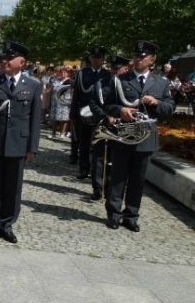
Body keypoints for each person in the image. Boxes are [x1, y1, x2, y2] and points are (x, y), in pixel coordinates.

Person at [0, 41, 42, 244]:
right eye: (4, 58)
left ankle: (6, 224)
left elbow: (35, 119)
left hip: (18, 144)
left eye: (9, 58)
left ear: (22, 62)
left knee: (13, 187)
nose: (5, 61)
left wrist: (32, 147)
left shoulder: (33, 85)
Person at [102, 41, 175, 232]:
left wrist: (156, 102)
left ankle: (131, 216)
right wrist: (120, 110)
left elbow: (170, 108)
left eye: (142, 57)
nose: (138, 59)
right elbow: (108, 105)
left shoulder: (161, 82)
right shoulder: (120, 79)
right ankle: (114, 214)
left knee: (138, 180)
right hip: (124, 135)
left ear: (152, 59)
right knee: (118, 177)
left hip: (146, 138)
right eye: (136, 56)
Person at [88, 55, 131, 201]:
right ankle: (97, 188)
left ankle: (111, 190)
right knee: (98, 158)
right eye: (112, 68)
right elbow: (93, 103)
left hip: (123, 127)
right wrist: (105, 116)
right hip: (103, 124)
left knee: (116, 159)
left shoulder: (129, 84)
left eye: (117, 68)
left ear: (126, 68)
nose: (114, 71)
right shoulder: (101, 83)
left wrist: (120, 116)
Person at [70, 46, 111, 182]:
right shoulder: (82, 74)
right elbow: (76, 95)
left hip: (100, 114)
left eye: (98, 58)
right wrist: (73, 114)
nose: (96, 60)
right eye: (93, 57)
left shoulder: (107, 75)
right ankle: (83, 169)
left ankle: (96, 173)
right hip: (84, 113)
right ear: (90, 58)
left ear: (102, 59)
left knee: (98, 145)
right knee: (84, 143)